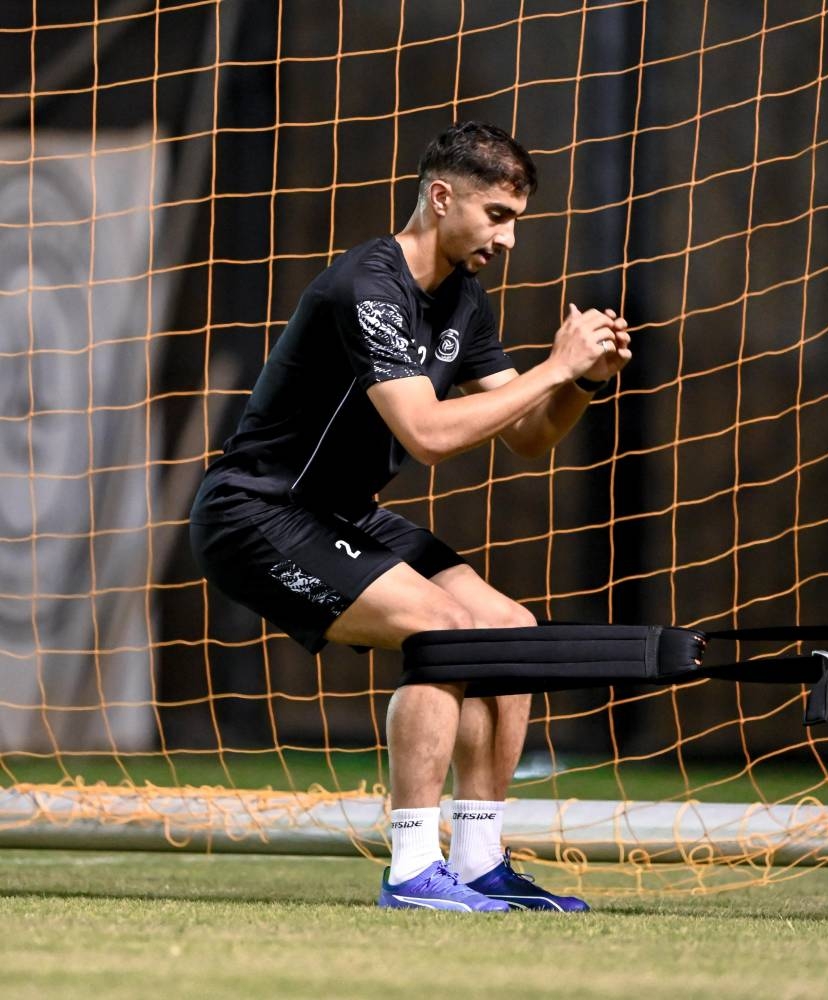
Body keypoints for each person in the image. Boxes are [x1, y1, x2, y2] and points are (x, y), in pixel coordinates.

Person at [189, 121, 631, 912]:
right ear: (442, 197)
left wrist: (583, 382)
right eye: (498, 215)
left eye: (516, 220)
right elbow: (426, 435)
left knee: (510, 633)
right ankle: (413, 869)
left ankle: (478, 861)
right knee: (445, 632)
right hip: (256, 513)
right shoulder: (369, 287)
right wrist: (554, 366)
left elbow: (529, 435)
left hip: (337, 515)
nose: (510, 238)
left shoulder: (464, 298)